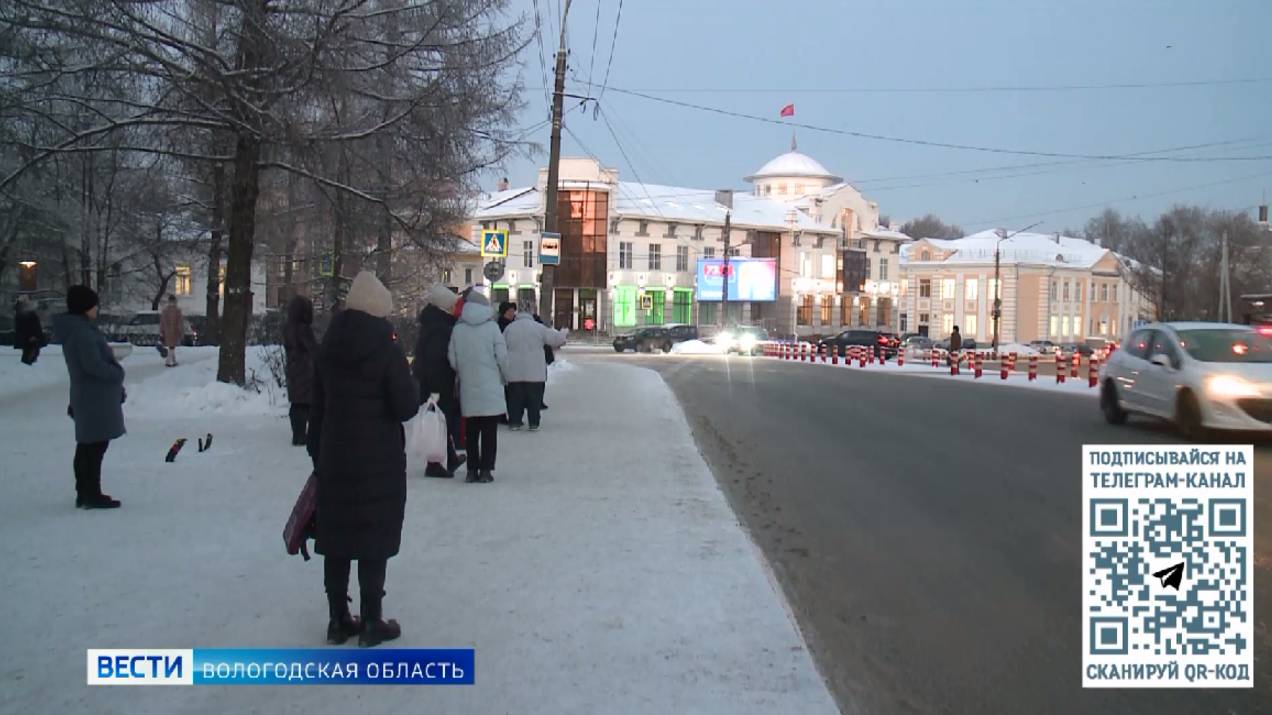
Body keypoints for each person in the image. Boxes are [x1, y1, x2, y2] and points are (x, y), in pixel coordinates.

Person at [306, 271, 419, 647]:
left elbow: (316, 406)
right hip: (378, 459)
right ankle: (372, 621)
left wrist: (317, 453)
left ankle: (337, 619)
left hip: (334, 455)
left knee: (336, 536)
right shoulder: (386, 347)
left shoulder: (329, 344)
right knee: (373, 536)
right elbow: (405, 407)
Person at [53, 286, 125, 509]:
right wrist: (116, 373)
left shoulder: (78, 330)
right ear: (86, 307)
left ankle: (85, 491)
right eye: (94, 304)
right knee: (94, 446)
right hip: (94, 396)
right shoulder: (82, 333)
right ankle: (91, 493)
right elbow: (93, 365)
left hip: (90, 395)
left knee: (88, 445)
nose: (97, 308)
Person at [447, 290, 507, 483]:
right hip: (490, 385)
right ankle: (486, 471)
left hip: (468, 385)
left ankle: (471, 470)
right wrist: (503, 375)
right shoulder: (492, 328)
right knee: (489, 432)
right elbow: (503, 356)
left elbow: (452, 358)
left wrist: (464, 371)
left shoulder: (458, 329)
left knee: (471, 432)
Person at [412, 285, 466, 478]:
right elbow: (436, 359)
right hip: (438, 382)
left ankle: (449, 458)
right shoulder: (440, 328)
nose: (454, 308)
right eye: (452, 305)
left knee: (440, 420)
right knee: (439, 420)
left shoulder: (434, 324)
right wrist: (437, 388)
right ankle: (434, 464)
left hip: (435, 380)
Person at [503, 298, 567, 431]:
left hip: (514, 372)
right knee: (534, 400)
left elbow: (501, 346)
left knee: (515, 399)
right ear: (532, 311)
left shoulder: (510, 328)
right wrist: (563, 333)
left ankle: (515, 421)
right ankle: (533, 422)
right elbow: (555, 340)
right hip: (535, 373)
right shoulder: (538, 328)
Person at [283, 295, 317, 446]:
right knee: (307, 404)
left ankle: (298, 435)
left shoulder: (288, 328)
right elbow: (313, 349)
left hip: (293, 369)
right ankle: (305, 435)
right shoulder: (304, 330)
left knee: (296, 404)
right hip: (306, 370)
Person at [15, 299, 46, 365]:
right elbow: (29, 327)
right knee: (30, 349)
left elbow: (35, 326)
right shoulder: (25, 315)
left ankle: (28, 360)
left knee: (31, 349)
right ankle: (28, 360)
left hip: (31, 338)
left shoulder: (28, 314)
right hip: (30, 338)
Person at [159, 294, 183, 367]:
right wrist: (180, 331)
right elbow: (180, 322)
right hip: (174, 331)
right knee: (172, 346)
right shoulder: (177, 310)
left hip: (167, 331)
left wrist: (161, 331)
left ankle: (172, 360)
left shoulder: (165, 310)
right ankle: (169, 361)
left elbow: (162, 322)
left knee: (170, 346)